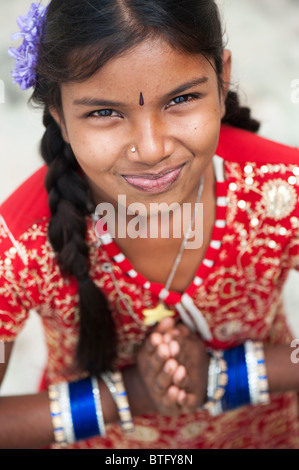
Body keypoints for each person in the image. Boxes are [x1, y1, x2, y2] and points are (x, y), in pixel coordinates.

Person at [0, 0, 299, 450]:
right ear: (59, 115)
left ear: (221, 82)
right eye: (104, 112)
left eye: (180, 99)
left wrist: (227, 375)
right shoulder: (18, 246)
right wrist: (128, 395)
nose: (152, 148)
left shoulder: (281, 190)